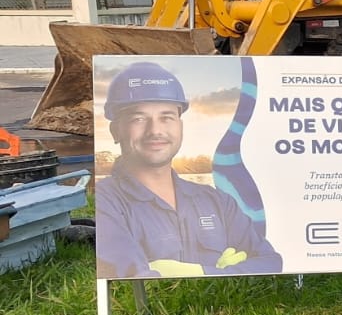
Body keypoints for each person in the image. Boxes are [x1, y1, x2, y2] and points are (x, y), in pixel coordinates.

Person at [95, 61, 282, 279]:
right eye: (138, 118)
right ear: (115, 131)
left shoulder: (217, 201)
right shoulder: (106, 202)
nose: (155, 130)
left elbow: (271, 261)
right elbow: (131, 276)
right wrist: (226, 274)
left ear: (180, 126)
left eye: (167, 117)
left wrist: (202, 271)